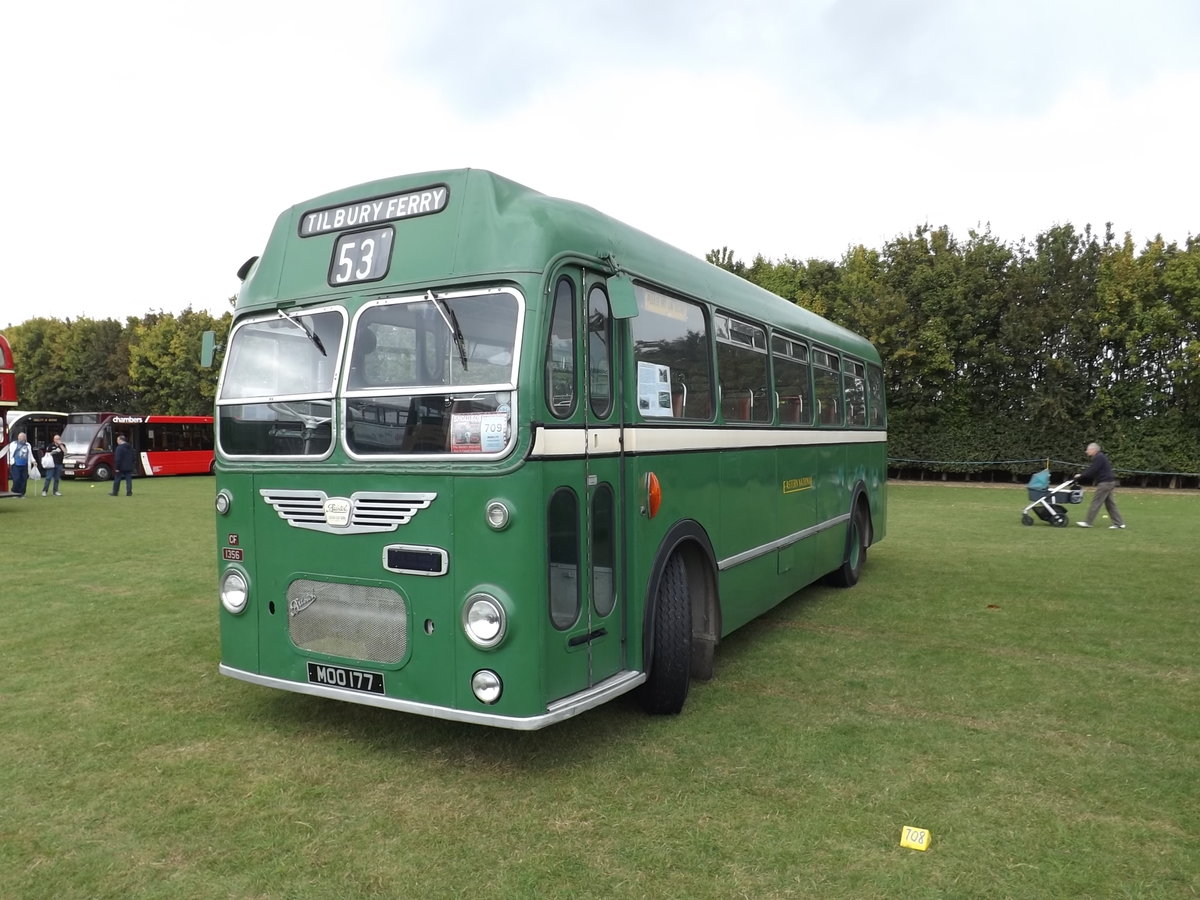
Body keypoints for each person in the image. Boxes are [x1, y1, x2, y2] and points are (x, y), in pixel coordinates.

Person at [1074, 442, 1126, 529]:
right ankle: (1119, 523)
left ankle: (1088, 522)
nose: (1086, 451)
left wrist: (1081, 476)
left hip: (1105, 483)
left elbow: (1092, 470)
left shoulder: (1098, 457)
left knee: (1096, 503)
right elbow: (1094, 470)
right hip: (1110, 482)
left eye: (1088, 450)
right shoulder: (1100, 457)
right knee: (1110, 504)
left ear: (1093, 450)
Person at [9, 431, 35, 497]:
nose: (22, 438)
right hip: (15, 464)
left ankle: (22, 493)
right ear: (18, 437)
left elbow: (30, 454)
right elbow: (9, 453)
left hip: (25, 464)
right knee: (16, 479)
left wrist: (33, 461)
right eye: (20, 437)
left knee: (24, 479)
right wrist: (9, 462)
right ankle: (14, 492)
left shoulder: (28, 445)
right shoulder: (13, 444)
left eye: (23, 437)